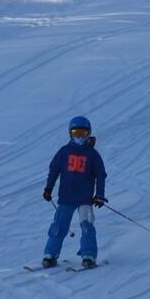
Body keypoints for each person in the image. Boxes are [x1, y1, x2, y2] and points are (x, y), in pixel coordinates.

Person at [41, 114, 105, 265]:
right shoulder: (64, 152)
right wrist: (48, 188)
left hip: (85, 198)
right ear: (70, 133)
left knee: (87, 226)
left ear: (88, 133)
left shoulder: (92, 155)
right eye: (76, 133)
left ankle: (88, 255)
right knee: (58, 227)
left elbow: (100, 175)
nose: (79, 137)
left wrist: (100, 195)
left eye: (82, 133)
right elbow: (54, 170)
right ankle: (50, 254)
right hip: (66, 197)